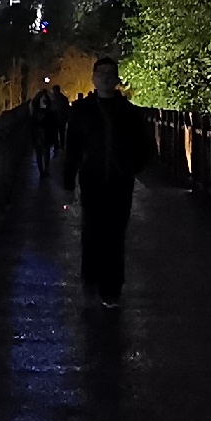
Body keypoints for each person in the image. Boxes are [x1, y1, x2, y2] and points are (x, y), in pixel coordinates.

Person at [61, 59, 154, 300]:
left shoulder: (130, 112)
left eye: (109, 73)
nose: (104, 78)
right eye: (100, 73)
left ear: (116, 79)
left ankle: (111, 287)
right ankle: (91, 277)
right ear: (93, 78)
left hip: (119, 181)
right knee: (91, 229)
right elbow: (72, 147)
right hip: (91, 179)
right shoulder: (82, 111)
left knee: (115, 233)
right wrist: (68, 182)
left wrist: (132, 167)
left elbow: (144, 146)